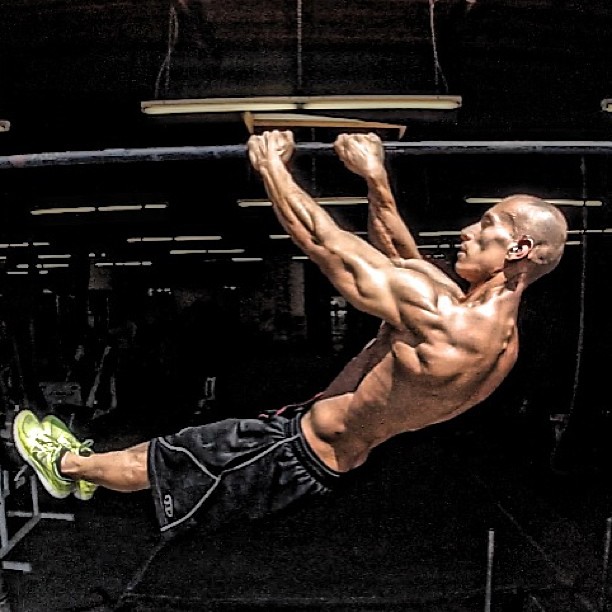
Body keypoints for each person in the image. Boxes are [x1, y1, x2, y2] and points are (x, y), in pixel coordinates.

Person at [12, 130, 568, 538]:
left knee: (168, 462)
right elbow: (402, 256)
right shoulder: (487, 328)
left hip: (295, 452)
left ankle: (66, 468)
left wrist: (272, 168)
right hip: (309, 439)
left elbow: (327, 245)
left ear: (518, 248)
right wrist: (374, 177)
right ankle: (89, 468)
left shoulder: (448, 322)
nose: (468, 230)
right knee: (180, 449)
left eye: (486, 225)